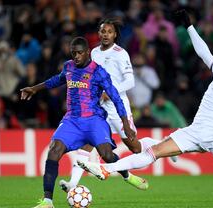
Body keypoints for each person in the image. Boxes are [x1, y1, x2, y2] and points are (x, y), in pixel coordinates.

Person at [77, 10, 213, 184]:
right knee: (152, 153)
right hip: (195, 130)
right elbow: (203, 51)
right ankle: (106, 169)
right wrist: (190, 26)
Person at [23, 37, 148, 208]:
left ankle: (127, 176)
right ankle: (47, 201)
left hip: (94, 120)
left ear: (88, 52)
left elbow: (115, 97)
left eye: (79, 52)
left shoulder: (98, 72)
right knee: (54, 151)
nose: (76, 56)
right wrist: (35, 88)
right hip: (72, 120)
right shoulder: (69, 67)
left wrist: (125, 122)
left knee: (107, 154)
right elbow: (57, 80)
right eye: (73, 53)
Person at [59, 18, 174, 192]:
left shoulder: (121, 53)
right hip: (97, 109)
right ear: (98, 33)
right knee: (87, 143)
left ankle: (164, 144)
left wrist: (109, 91)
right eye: (103, 31)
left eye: (109, 32)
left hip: (117, 108)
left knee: (135, 147)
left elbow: (130, 81)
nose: (105, 35)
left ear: (115, 35)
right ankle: (72, 184)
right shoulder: (94, 53)